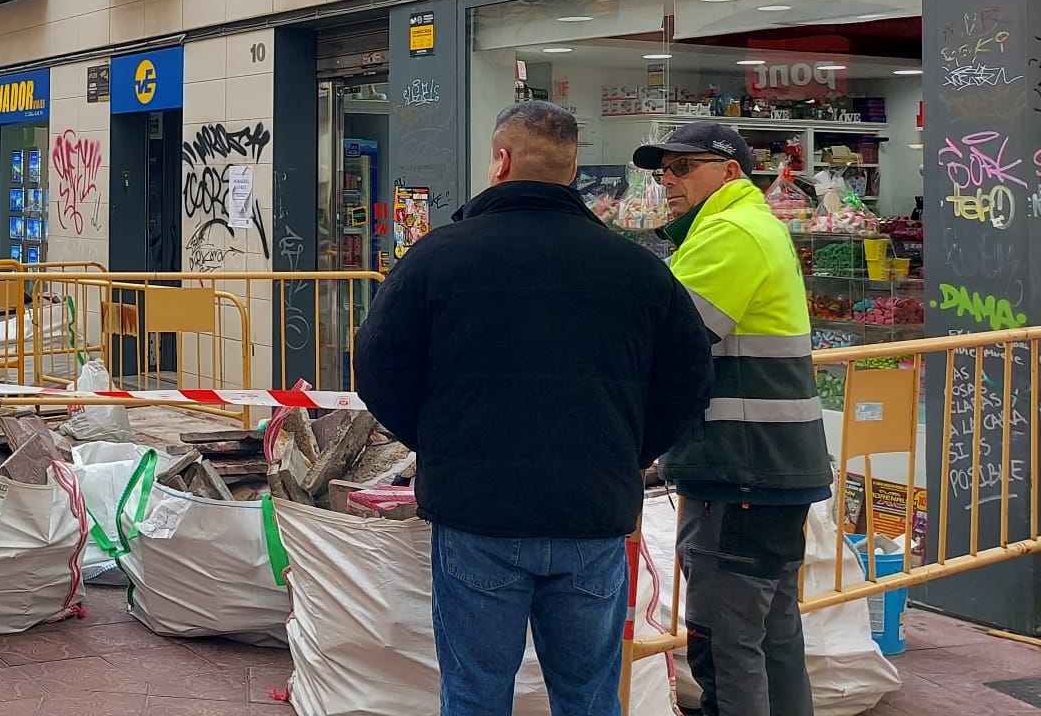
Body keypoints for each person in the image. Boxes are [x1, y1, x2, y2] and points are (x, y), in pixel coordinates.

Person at [355, 101, 714, 716]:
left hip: (477, 511)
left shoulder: (438, 257)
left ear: (500, 161)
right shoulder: (637, 269)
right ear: (572, 171)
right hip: (592, 512)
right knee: (590, 697)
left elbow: (378, 366)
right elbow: (689, 377)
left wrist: (439, 441)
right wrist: (629, 449)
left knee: (475, 696)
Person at [633, 122, 833, 716]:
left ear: (730, 172)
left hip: (739, 467)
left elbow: (666, 342)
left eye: (683, 167)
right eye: (663, 171)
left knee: (726, 645)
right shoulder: (754, 225)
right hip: (770, 467)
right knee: (772, 639)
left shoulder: (730, 232)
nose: (668, 181)